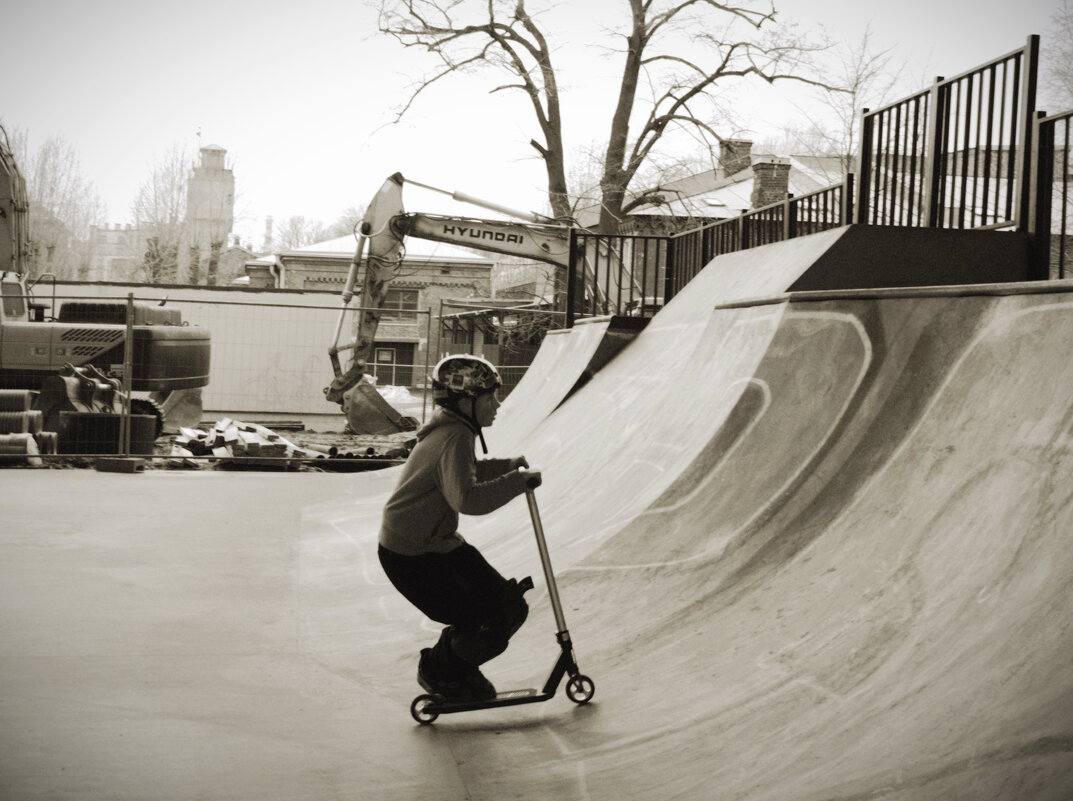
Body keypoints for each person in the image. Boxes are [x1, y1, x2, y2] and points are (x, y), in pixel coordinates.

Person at [378, 354, 540, 702]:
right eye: (491, 397)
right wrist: (516, 482)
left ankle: (450, 665)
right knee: (493, 618)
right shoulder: (454, 435)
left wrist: (505, 467)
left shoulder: (453, 428)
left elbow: (461, 473)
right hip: (413, 557)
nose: (497, 405)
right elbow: (467, 499)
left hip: (434, 545)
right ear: (467, 401)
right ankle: (443, 673)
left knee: (506, 607)